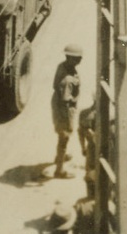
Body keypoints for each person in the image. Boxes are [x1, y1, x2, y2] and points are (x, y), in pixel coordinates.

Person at [51, 45, 83, 178]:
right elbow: (65, 101)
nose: (80, 60)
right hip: (65, 108)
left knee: (62, 135)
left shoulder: (63, 66)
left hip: (59, 103)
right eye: (77, 58)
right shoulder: (68, 80)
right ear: (70, 58)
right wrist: (67, 120)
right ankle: (59, 170)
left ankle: (60, 156)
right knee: (64, 136)